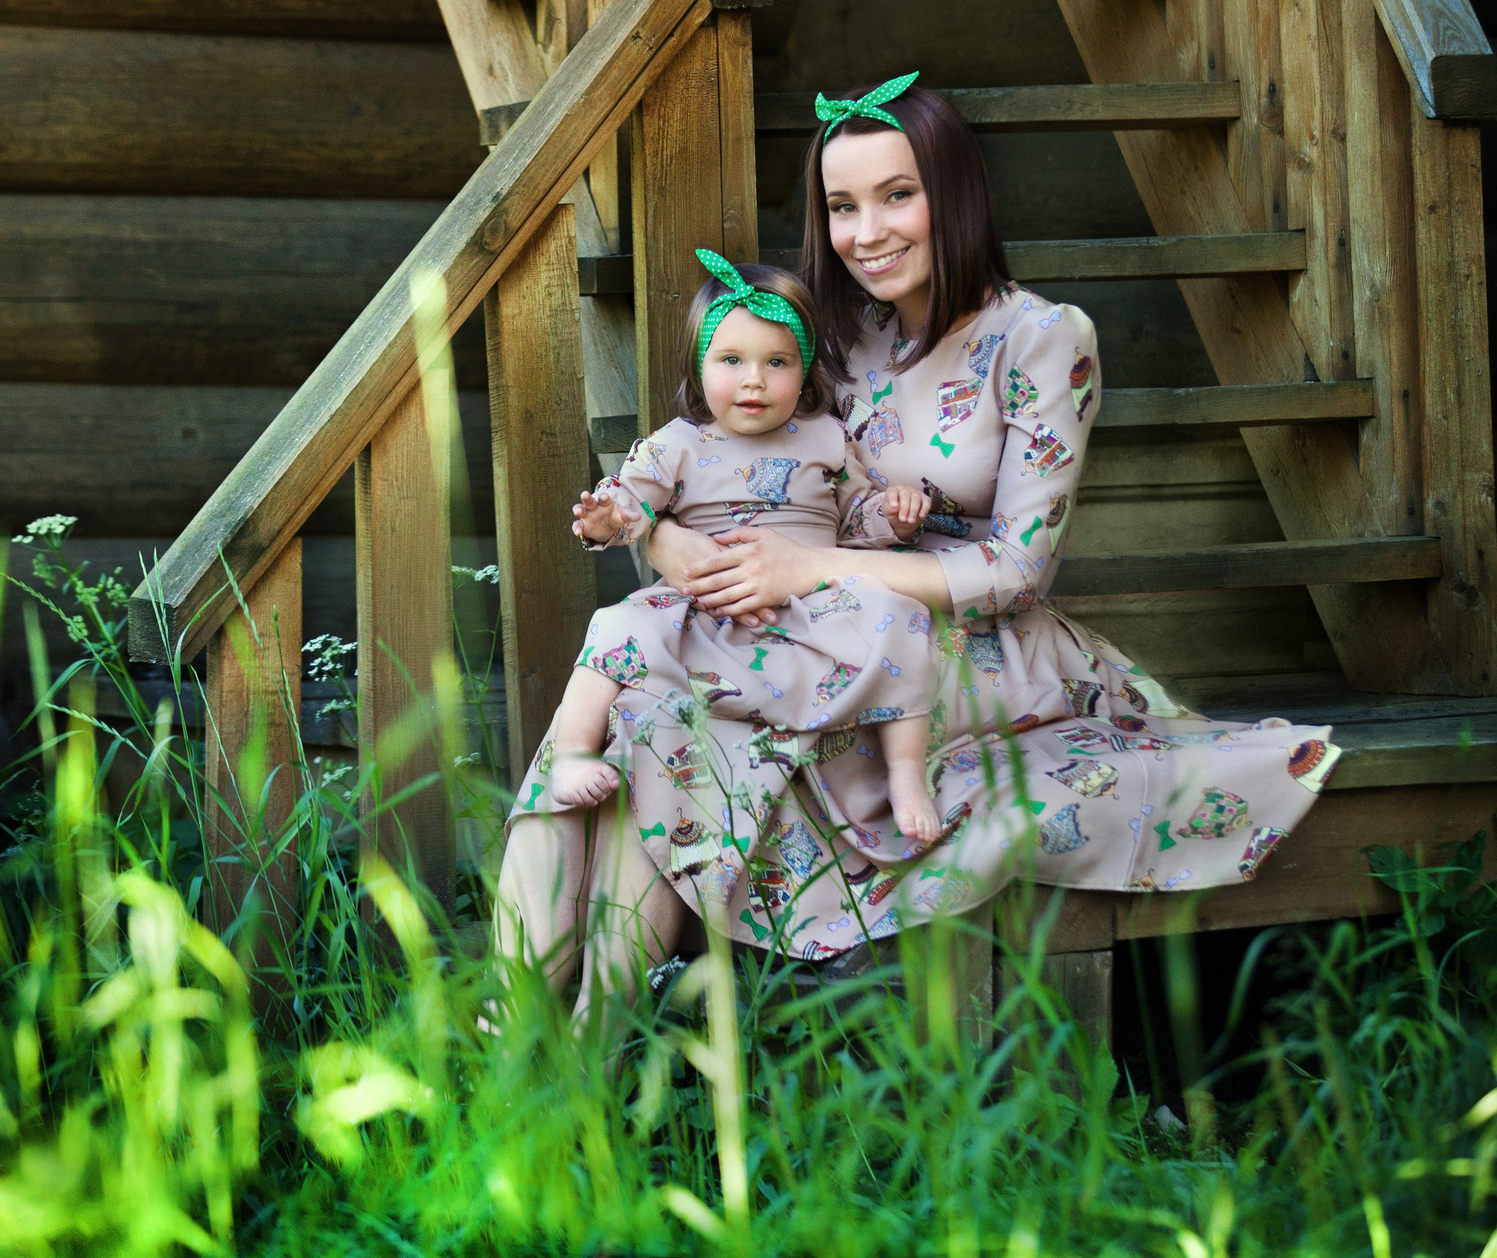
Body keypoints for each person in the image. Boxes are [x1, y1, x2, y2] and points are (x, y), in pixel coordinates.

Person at [494, 73, 1340, 1009]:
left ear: (954, 194)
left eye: (898, 195)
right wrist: (658, 541)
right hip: (804, 624)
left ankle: (584, 1049)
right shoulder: (830, 336)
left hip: (965, 641)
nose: (868, 233)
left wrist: (812, 564)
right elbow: (722, 466)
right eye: (842, 206)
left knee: (665, 714)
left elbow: (1017, 569)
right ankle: (518, 1020)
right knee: (635, 704)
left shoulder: (1044, 338)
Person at [518, 251, 951, 876]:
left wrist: (895, 515)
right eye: (732, 361)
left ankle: (907, 775)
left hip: (811, 606)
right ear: (700, 367)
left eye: (776, 362)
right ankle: (573, 753)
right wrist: (606, 520)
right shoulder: (678, 443)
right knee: (614, 626)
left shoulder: (828, 437)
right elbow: (633, 502)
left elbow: (856, 521)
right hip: (707, 609)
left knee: (903, 616)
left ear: (804, 374)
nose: (754, 380)